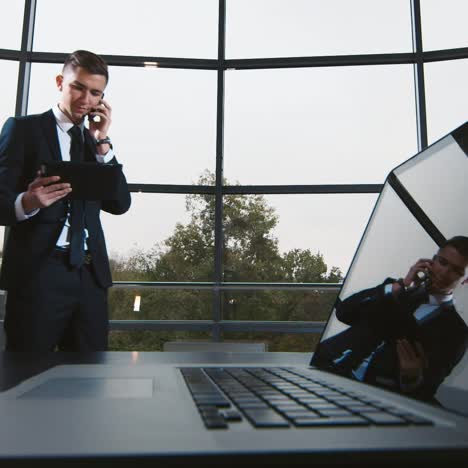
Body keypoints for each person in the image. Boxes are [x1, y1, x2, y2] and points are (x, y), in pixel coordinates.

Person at [0, 50, 131, 352]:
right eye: (78, 87)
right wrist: (28, 202)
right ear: (61, 82)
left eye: (95, 93)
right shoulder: (23, 129)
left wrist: (102, 143)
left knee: (90, 379)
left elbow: (120, 204)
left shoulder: (93, 142)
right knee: (28, 375)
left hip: (90, 277)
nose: (86, 99)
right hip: (39, 275)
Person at [315, 236, 468, 402]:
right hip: (322, 368)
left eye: (456, 271)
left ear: (465, 280)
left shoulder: (457, 332)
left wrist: (410, 379)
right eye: (442, 262)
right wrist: (398, 286)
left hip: (370, 399)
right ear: (431, 261)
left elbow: (426, 391)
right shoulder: (397, 292)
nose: (444, 272)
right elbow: (344, 312)